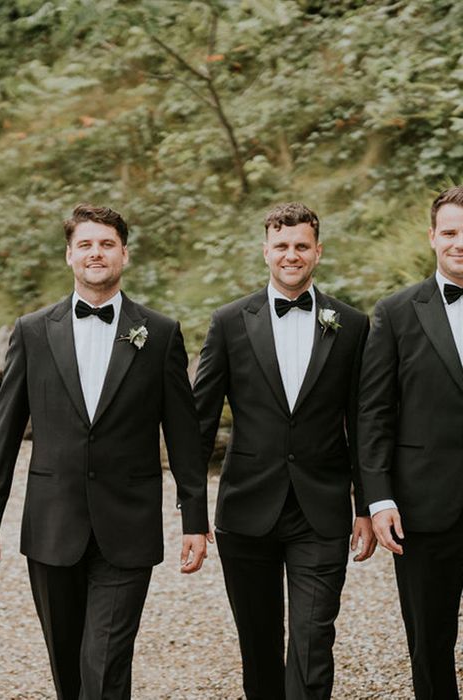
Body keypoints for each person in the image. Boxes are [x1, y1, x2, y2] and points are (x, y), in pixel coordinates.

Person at [0, 204, 209, 700]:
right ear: (69, 255)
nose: (96, 253)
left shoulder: (160, 334)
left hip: (128, 525)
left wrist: (194, 520)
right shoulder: (33, 331)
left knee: (104, 666)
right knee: (68, 668)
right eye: (86, 244)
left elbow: (184, 434)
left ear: (124, 253)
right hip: (52, 525)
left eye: (106, 244)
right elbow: (5, 429)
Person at [193, 202, 375, 699]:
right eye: (281, 246)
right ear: (265, 250)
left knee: (314, 639)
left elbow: (363, 422)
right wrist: (192, 513)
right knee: (259, 643)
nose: (290, 255)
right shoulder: (230, 321)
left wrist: (367, 504)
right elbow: (201, 421)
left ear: (317, 251)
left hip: (321, 508)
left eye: (300, 246)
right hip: (246, 507)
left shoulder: (353, 325)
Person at [359, 185, 463, 699]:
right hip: (424, 505)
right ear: (432, 238)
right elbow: (373, 414)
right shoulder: (396, 313)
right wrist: (378, 498)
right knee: (430, 640)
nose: (459, 243)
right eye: (450, 232)